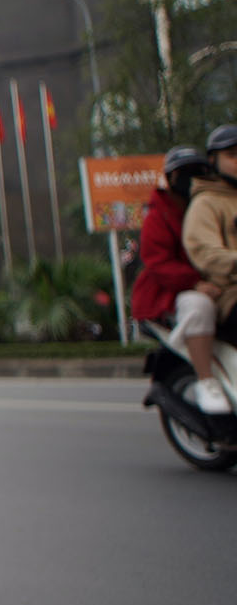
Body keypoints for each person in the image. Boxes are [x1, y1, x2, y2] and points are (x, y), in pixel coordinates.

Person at [132, 145, 223, 411]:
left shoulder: (210, 205)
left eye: (198, 172)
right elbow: (158, 262)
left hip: (219, 281)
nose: (191, 179)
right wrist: (196, 282)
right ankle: (207, 381)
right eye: (183, 173)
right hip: (172, 291)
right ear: (170, 178)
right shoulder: (158, 215)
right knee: (199, 306)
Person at [182, 126, 237, 411]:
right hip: (229, 293)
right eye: (232, 155)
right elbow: (205, 253)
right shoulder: (206, 203)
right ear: (213, 161)